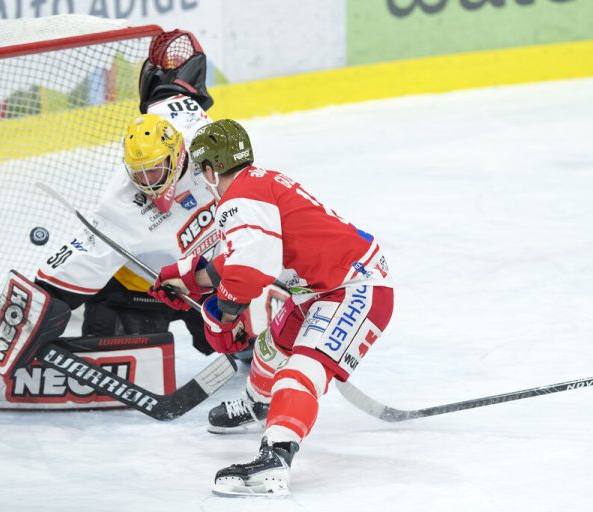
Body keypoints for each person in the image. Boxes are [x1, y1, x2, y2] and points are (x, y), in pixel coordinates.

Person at [149, 119, 394, 496]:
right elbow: (235, 261)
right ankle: (257, 405)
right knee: (270, 350)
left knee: (299, 371)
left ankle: (275, 459)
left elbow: (252, 267)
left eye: (202, 171)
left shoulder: (239, 199)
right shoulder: (257, 183)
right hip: (316, 288)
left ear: (211, 170)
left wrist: (224, 313)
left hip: (355, 287)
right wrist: (186, 279)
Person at [35, 30, 255, 355]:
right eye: (139, 172)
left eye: (154, 169)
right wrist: (25, 316)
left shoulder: (206, 146)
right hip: (140, 293)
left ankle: (248, 340)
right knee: (112, 359)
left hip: (206, 282)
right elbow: (62, 277)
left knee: (236, 345)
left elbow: (177, 89)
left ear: (178, 155)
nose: (148, 181)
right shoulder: (118, 207)